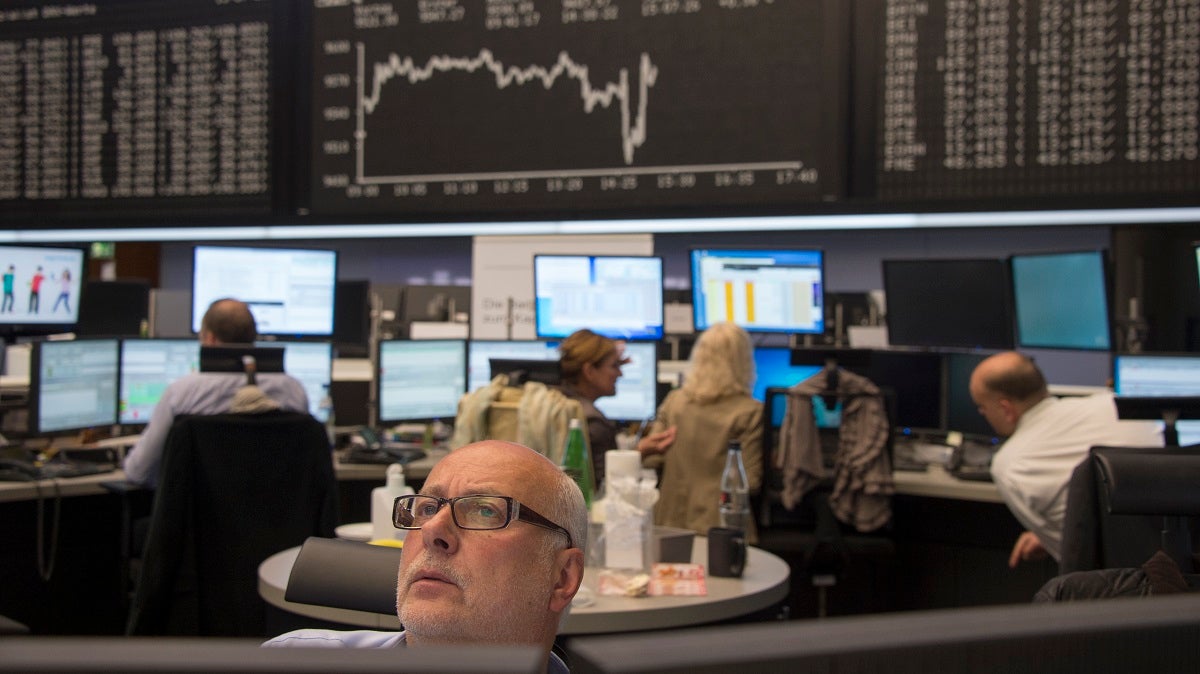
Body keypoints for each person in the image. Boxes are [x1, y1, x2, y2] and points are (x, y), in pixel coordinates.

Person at [264, 440, 587, 674]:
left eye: (485, 511)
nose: (433, 529)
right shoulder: (294, 660)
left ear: (562, 578)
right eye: (428, 508)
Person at [969, 351, 1161, 568]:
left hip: (1116, 584)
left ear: (1006, 409)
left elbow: (1072, 549)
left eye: (983, 408)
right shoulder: (1114, 403)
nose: (983, 414)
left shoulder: (1010, 465)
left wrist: (1046, 536)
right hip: (1179, 560)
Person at [122, 298, 309, 487]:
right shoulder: (293, 391)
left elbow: (138, 472)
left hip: (197, 515)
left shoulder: (181, 395)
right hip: (276, 514)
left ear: (209, 338)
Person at [642, 322, 764, 541]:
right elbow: (749, 483)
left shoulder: (675, 402)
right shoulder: (751, 412)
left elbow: (651, 460)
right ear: (744, 362)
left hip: (669, 526)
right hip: (722, 529)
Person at [557, 329, 674, 484]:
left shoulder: (557, 401)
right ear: (589, 371)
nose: (620, 374)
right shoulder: (594, 423)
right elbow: (606, 487)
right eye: (614, 366)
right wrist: (640, 453)